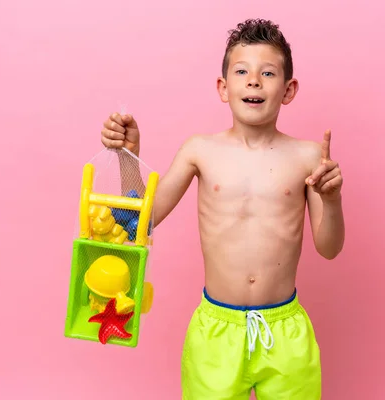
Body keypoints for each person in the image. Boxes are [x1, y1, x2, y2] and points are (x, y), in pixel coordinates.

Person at [100, 18, 345, 400]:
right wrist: (129, 157)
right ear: (223, 86)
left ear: (289, 89)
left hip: (285, 331)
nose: (253, 81)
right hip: (216, 330)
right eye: (242, 71)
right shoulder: (200, 150)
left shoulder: (309, 157)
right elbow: (139, 223)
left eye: (268, 73)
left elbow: (329, 248)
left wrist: (331, 198)